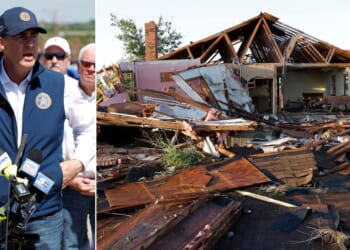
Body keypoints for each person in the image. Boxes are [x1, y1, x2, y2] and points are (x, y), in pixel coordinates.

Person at [0, 7, 95, 249]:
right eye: (21, 37)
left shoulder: (60, 85)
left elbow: (89, 127)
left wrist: (77, 164)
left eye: (34, 37)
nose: (30, 44)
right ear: (2, 42)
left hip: (43, 215)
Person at [61, 44, 96, 250]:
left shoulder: (110, 100)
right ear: (78, 65)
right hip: (73, 186)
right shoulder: (65, 97)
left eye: (95, 64)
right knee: (72, 244)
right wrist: (71, 179)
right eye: (86, 63)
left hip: (102, 186)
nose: (91, 68)